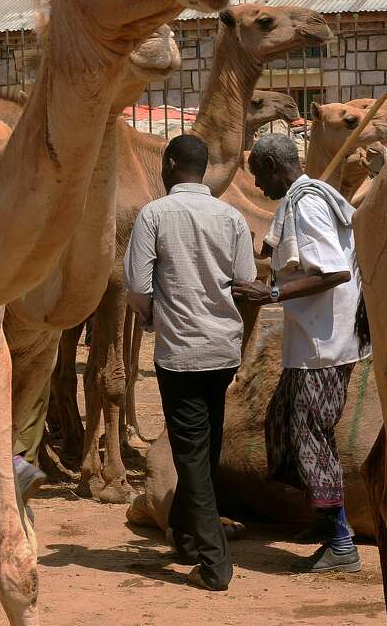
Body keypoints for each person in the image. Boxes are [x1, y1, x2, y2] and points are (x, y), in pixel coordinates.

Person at [124, 134, 256, 591]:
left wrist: (148, 316)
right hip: (223, 348)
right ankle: (184, 533)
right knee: (206, 444)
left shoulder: (154, 215)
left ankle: (214, 561)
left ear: (170, 164)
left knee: (192, 452)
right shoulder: (231, 216)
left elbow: (138, 288)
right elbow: (245, 280)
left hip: (180, 352)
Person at [234, 132, 365, 573]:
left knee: (310, 433)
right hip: (312, 337)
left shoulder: (306, 203)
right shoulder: (300, 199)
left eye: (258, 177)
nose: (257, 188)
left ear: (273, 167)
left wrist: (271, 293)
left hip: (324, 342)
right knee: (281, 422)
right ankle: (324, 516)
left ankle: (341, 540)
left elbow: (333, 271)